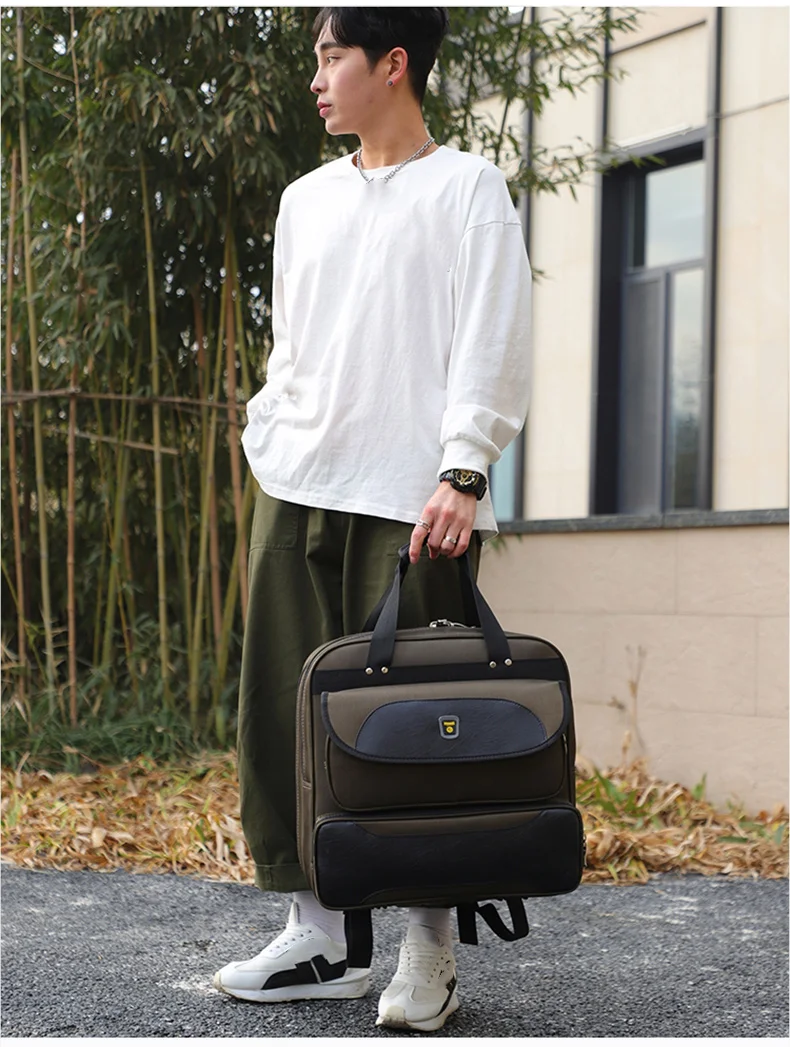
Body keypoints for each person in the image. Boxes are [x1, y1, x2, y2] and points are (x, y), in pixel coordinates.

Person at [213, 6, 532, 1033]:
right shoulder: (304, 200)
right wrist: (269, 429)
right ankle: (318, 933)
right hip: (297, 480)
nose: (315, 78)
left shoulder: (469, 189)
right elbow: (294, 346)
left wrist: (464, 469)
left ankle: (429, 949)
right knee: (284, 710)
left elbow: (493, 335)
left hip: (412, 500)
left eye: (330, 56)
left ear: (393, 64)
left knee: (422, 726)